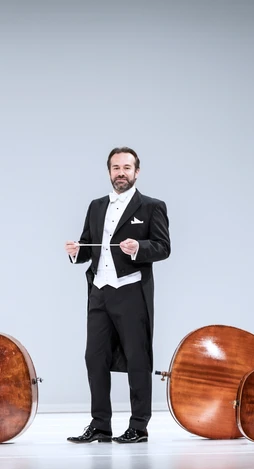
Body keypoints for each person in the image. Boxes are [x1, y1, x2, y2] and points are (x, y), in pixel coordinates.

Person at [65, 147, 171, 444]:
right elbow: (88, 245)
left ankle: (139, 426)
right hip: (99, 293)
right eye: (115, 167)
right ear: (109, 171)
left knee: (138, 359)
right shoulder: (96, 206)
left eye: (126, 167)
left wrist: (139, 249)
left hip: (131, 292)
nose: (120, 173)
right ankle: (100, 425)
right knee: (94, 358)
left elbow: (163, 247)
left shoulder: (151, 206)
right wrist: (76, 253)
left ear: (137, 172)